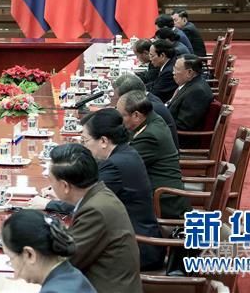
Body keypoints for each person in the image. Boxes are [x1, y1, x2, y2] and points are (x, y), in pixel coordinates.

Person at [29, 144, 143, 292]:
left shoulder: (95, 211)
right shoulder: (100, 194)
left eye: (50, 179)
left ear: (65, 186)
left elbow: (63, 262)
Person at [77, 110, 164, 271]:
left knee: (75, 259)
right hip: (135, 239)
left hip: (137, 247)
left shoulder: (115, 165)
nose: (84, 146)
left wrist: (50, 202)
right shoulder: (126, 152)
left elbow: (87, 203)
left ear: (103, 141)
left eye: (85, 140)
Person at [116, 90, 190, 220]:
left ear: (136, 115)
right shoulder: (152, 119)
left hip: (164, 202)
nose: (119, 120)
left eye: (121, 116)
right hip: (154, 192)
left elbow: (122, 164)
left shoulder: (151, 135)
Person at [0, 209, 97, 292]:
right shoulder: (72, 274)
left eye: (10, 258)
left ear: (29, 254)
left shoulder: (53, 291)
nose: (14, 270)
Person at [112, 73, 179, 149]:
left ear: (131, 96)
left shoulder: (150, 108)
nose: (116, 101)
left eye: (118, 98)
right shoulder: (149, 99)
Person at [168, 54, 214, 132]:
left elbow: (182, 125)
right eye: (174, 68)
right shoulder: (192, 83)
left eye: (176, 69)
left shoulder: (197, 92)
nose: (173, 72)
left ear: (189, 72)